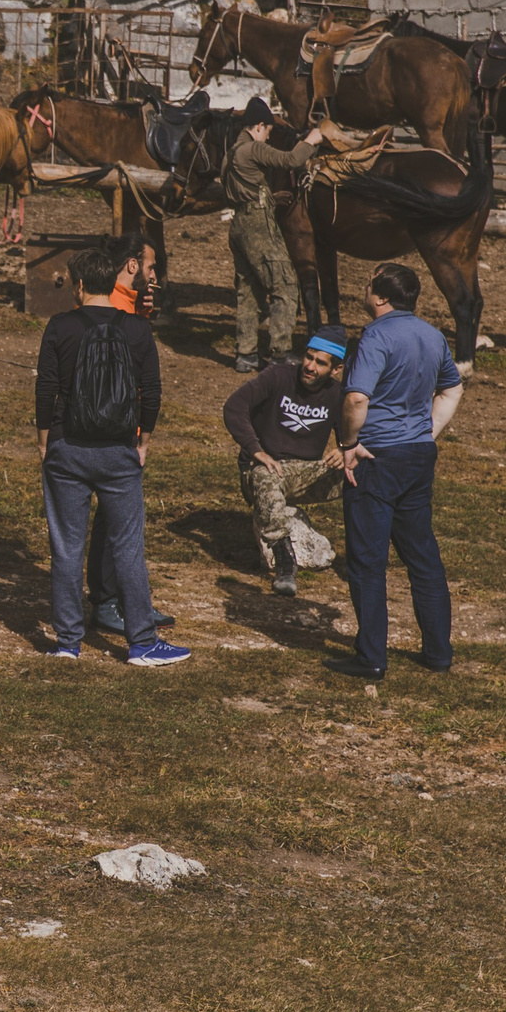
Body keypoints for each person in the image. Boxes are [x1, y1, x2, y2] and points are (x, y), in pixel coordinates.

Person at [34, 234, 189, 666]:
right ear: (115, 277)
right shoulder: (137, 328)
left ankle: (68, 642)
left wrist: (45, 438)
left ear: (80, 285)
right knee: (127, 546)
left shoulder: (60, 326)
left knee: (66, 546)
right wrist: (144, 442)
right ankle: (141, 642)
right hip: (120, 451)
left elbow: (46, 387)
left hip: (68, 447)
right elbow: (151, 392)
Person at [333, 263, 464, 679]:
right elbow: (452, 386)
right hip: (418, 456)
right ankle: (438, 653)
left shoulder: (376, 336)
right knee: (422, 556)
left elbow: (356, 399)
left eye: (368, 281)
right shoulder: (432, 335)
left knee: (368, 561)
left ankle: (371, 656)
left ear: (381, 296)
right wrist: (429, 430)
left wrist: (349, 446)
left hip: (377, 458)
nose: (363, 286)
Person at [223, 325, 350, 597]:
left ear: (336, 370)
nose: (310, 366)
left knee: (363, 472)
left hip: (306, 473)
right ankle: (284, 560)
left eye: (321, 363)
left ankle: (359, 557)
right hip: (264, 469)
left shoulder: (338, 395)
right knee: (265, 475)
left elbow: (354, 435)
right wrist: (255, 450)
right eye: (309, 357)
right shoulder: (277, 376)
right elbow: (235, 407)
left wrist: (344, 449)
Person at [223, 111, 319, 373]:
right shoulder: (253, 148)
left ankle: (246, 353)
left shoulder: (231, 153)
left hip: (240, 224)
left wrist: (269, 197)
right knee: (285, 284)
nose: (268, 137)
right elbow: (290, 159)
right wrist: (312, 139)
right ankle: (279, 352)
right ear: (259, 125)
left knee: (249, 290)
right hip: (257, 225)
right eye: (268, 131)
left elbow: (238, 189)